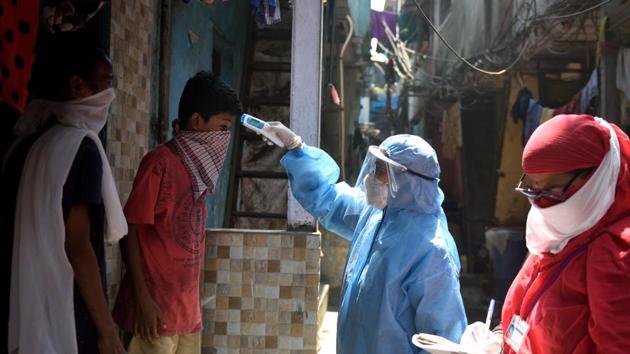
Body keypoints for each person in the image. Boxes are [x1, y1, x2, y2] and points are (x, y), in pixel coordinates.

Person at [263, 123, 467, 353]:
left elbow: (444, 340)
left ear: (406, 179)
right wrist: (296, 148)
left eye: (380, 170)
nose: (371, 177)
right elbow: (328, 198)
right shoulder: (376, 215)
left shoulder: (432, 250)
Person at [3, 44, 127, 354]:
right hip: (67, 313)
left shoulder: (21, 146)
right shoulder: (80, 149)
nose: (110, 92)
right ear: (77, 86)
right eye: (106, 81)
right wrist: (108, 331)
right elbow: (78, 246)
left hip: (19, 308)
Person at [112, 71, 241, 354]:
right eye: (222, 127)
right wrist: (144, 301)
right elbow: (128, 232)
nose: (225, 138)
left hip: (186, 316)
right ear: (197, 121)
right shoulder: (160, 163)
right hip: (153, 316)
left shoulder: (201, 173)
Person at [501, 114, 630, 353]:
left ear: (595, 177)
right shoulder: (555, 234)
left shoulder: (617, 252)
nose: (541, 206)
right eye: (532, 190)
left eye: (550, 192)